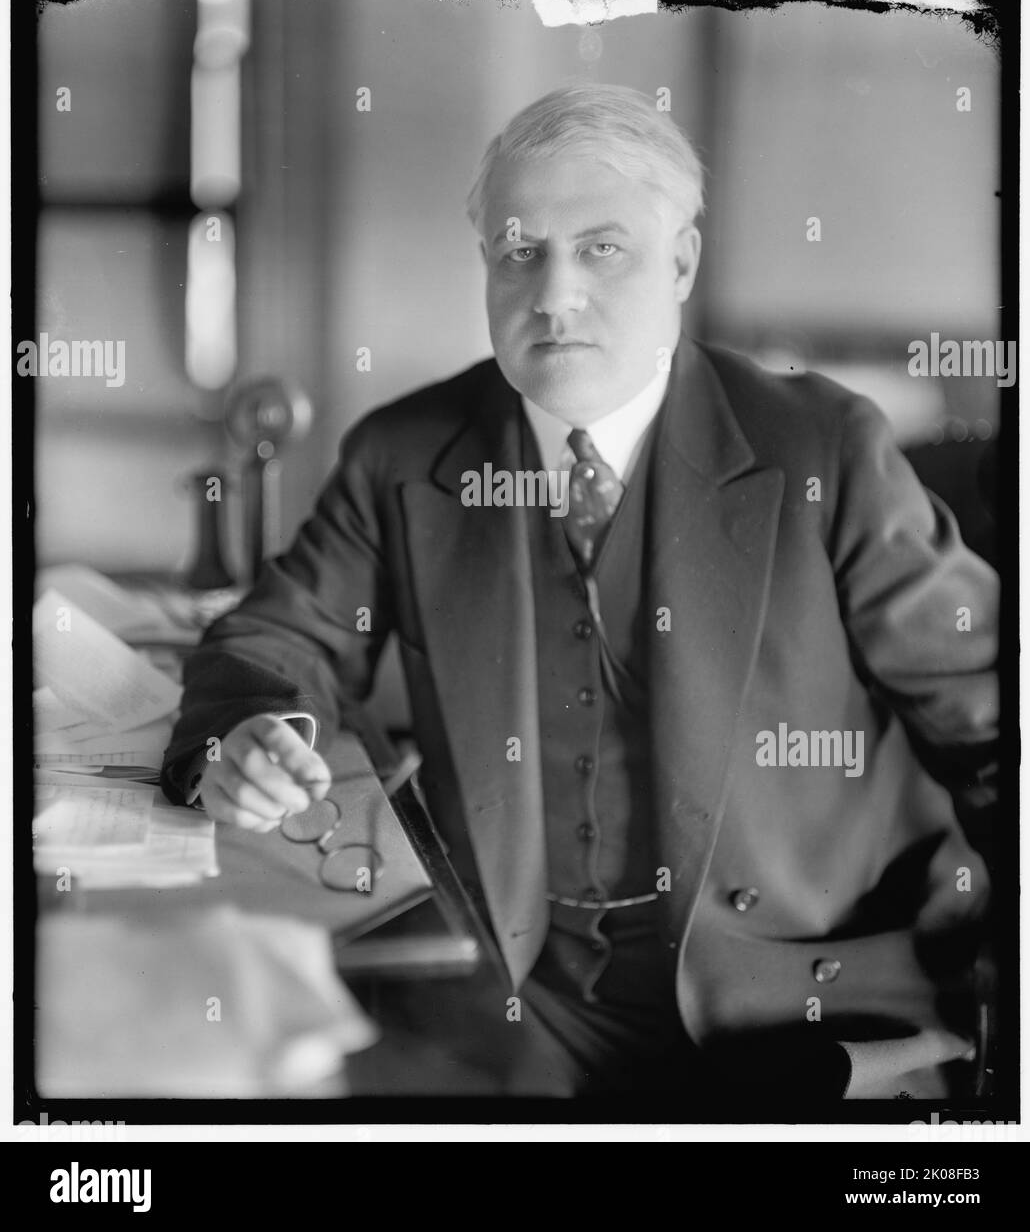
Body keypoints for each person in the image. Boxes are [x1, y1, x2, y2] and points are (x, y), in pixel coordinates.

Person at [162, 84, 998, 1105]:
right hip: (513, 990)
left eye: (603, 248)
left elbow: (991, 719)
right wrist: (247, 726)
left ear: (681, 261)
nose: (553, 294)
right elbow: (277, 636)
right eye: (518, 251)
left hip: (800, 1006)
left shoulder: (824, 447)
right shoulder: (405, 453)